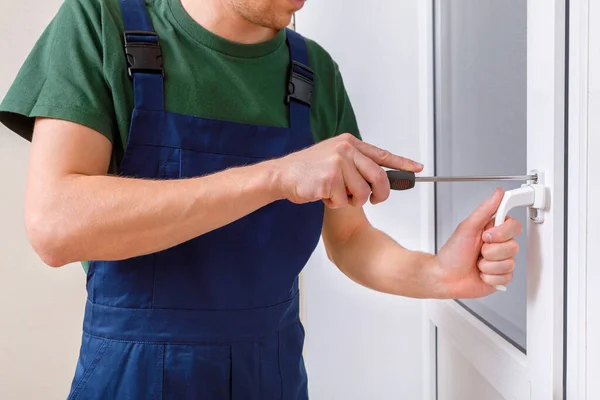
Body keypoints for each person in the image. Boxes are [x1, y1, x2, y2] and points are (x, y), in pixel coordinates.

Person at [0, 0, 522, 398]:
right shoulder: (102, 23)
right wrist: (275, 177)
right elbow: (55, 225)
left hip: (272, 374)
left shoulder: (313, 72)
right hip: (134, 376)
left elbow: (350, 237)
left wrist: (439, 275)